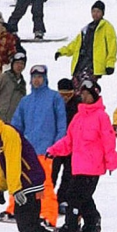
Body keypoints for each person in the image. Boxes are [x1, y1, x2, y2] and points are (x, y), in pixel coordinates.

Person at [46, 78, 117, 232]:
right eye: (83, 94)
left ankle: (72, 226)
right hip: (78, 165)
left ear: (95, 96)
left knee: (74, 195)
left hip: (93, 166)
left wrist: (111, 161)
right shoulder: (79, 117)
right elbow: (69, 141)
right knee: (82, 196)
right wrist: (54, 150)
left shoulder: (101, 117)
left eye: (87, 94)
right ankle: (92, 224)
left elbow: (109, 141)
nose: (84, 97)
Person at [12, 63, 66, 228]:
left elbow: (61, 124)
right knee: (20, 182)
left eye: (40, 77)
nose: (37, 80)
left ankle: (48, 214)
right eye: (34, 77)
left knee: (45, 184)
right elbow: (16, 125)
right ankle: (15, 209)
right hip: (27, 151)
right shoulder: (25, 101)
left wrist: (56, 146)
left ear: (45, 78)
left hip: (46, 151)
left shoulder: (54, 97)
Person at [57, 1, 117, 82]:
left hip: (93, 65)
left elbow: (112, 47)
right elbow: (75, 44)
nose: (95, 14)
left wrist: (110, 64)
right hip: (81, 63)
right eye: (93, 11)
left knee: (86, 88)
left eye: (98, 11)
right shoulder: (86, 28)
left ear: (103, 13)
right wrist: (61, 52)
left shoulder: (107, 27)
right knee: (75, 87)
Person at [50, 77, 80, 210]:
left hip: (72, 146)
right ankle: (48, 199)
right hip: (56, 145)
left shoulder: (79, 106)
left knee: (69, 174)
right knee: (52, 173)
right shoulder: (52, 104)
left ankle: (63, 199)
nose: (65, 98)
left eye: (69, 95)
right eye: (62, 95)